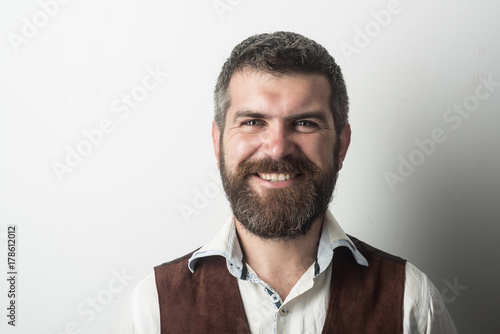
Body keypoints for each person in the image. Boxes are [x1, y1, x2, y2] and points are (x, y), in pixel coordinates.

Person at [115, 31, 457, 333]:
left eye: (305, 123)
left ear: (341, 145)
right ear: (218, 141)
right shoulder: (153, 308)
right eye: (252, 122)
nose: (277, 147)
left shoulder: (411, 301)